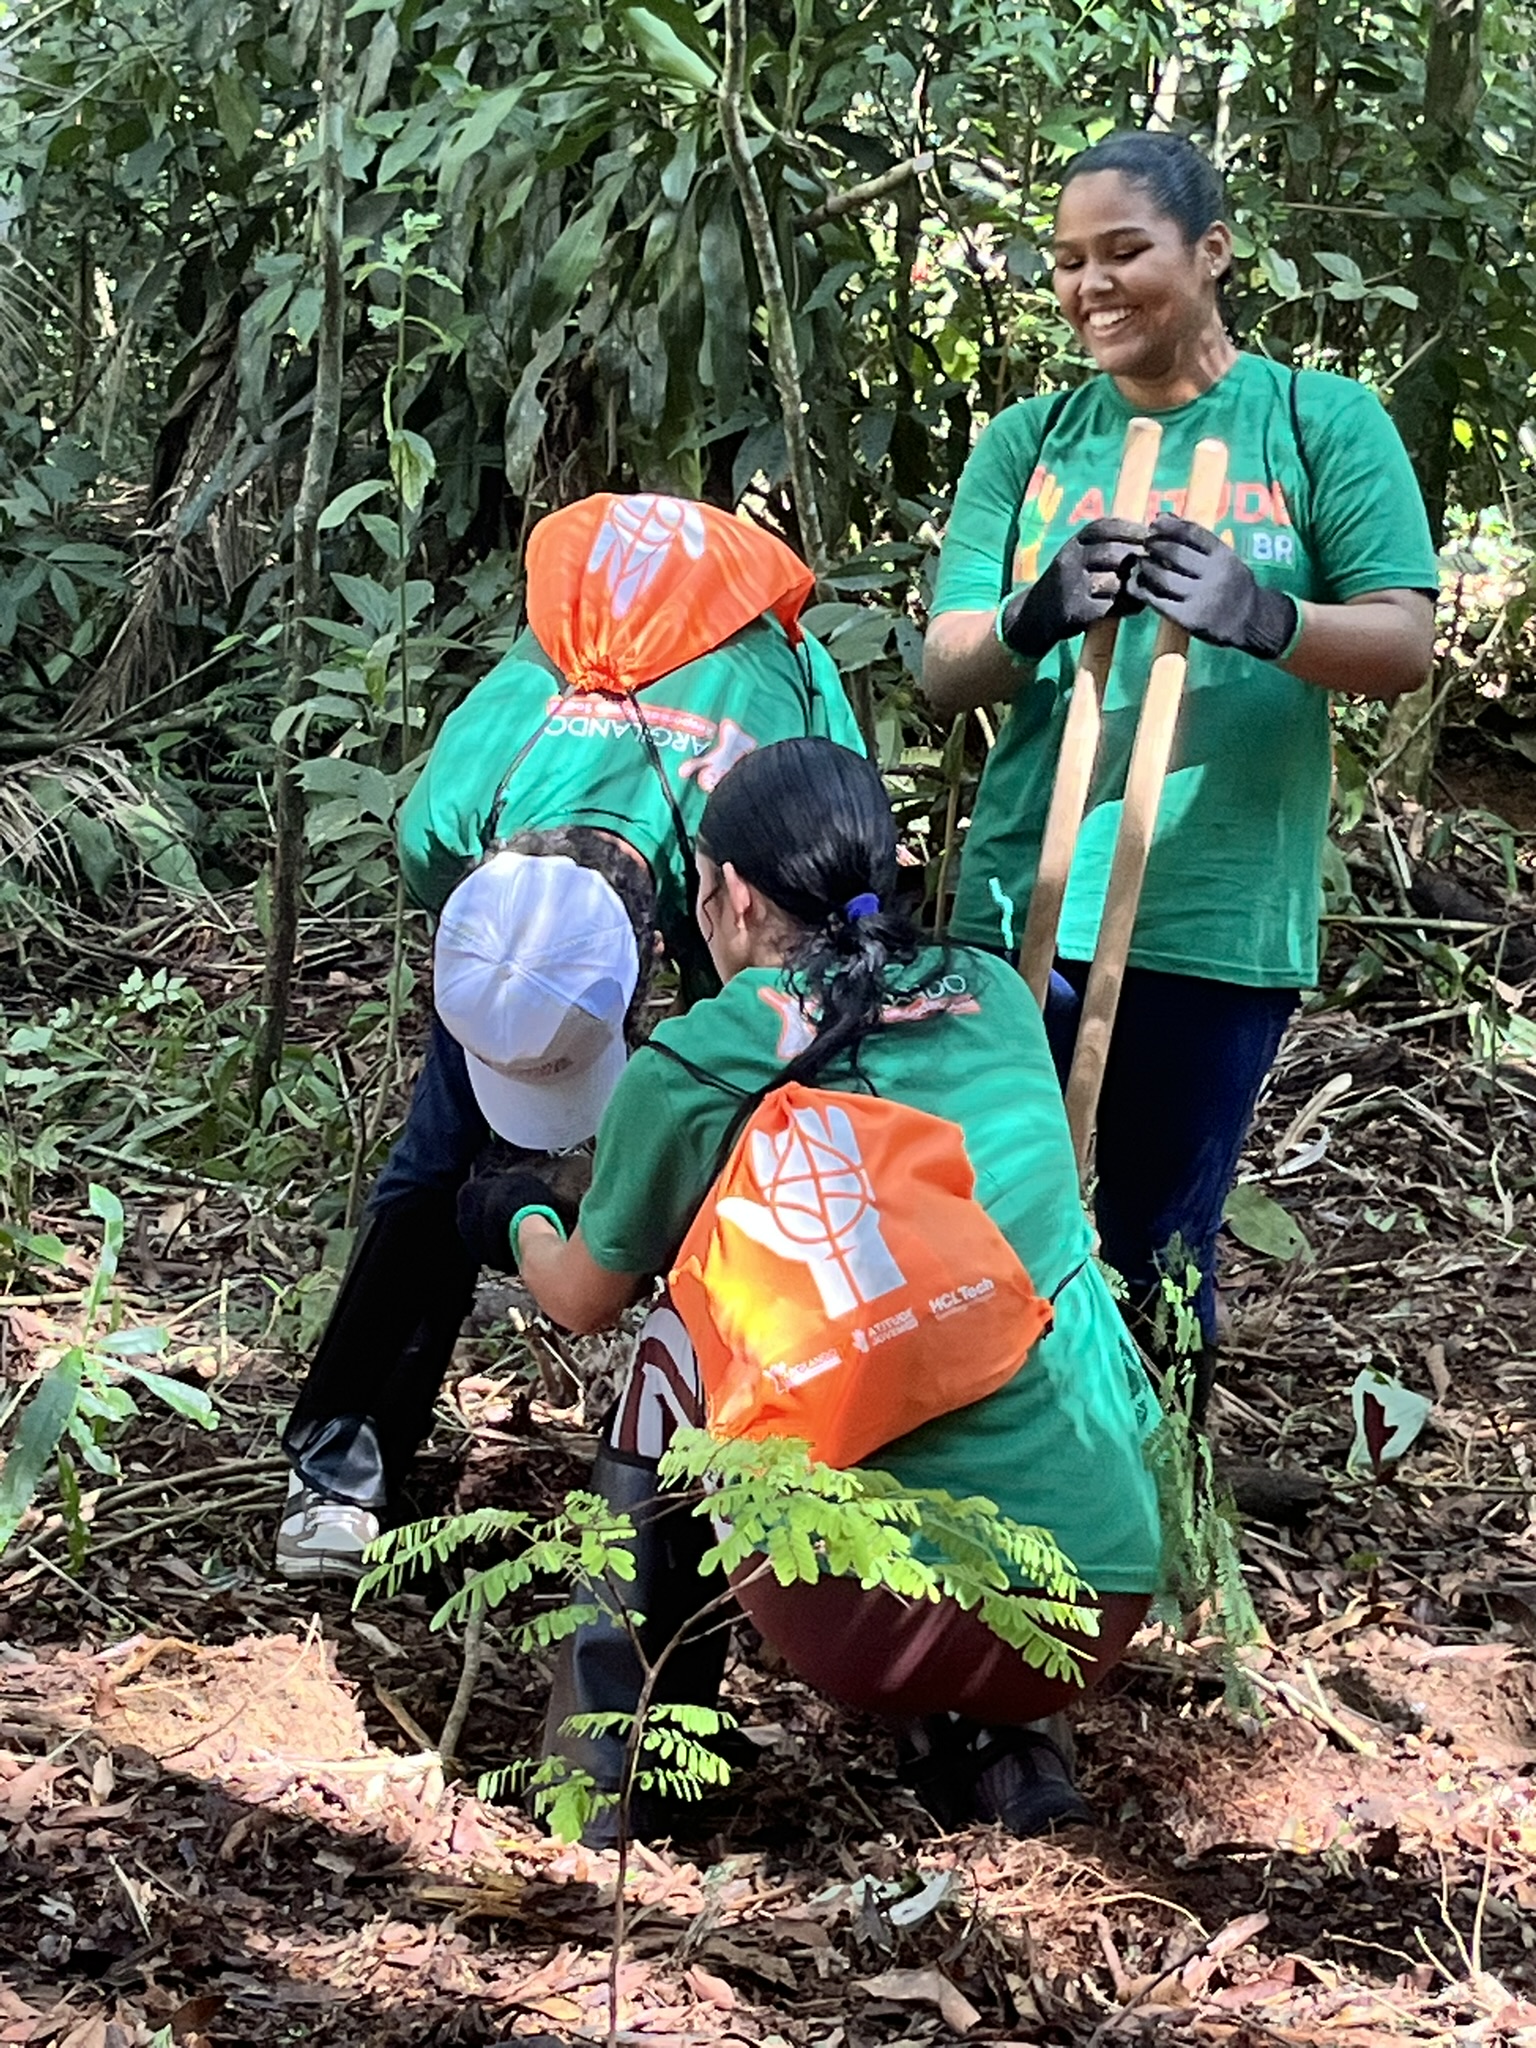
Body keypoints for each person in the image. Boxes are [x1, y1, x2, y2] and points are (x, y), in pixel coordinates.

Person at [505, 737, 1163, 1839]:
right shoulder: (996, 993)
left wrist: (517, 1211)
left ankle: (613, 1775)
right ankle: (1012, 1749)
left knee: (690, 1327)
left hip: (863, 1602)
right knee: (1015, 1282)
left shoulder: (702, 1056)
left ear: (737, 896)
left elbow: (581, 1295)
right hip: (1095, 1586)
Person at [922, 130, 1438, 1407]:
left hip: (1213, 913)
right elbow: (946, 663)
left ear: (1211, 252)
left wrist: (1265, 616)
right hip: (1020, 901)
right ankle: (976, 1513)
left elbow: (1404, 641)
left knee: (1160, 1246)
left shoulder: (1322, 423)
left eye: (1123, 251)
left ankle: (1154, 1516)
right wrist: (1036, 611)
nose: (1089, 284)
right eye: (1066, 261)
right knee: (978, 1222)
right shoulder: (1031, 440)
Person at [274, 494, 864, 1580]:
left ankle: (743, 1468)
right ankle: (342, 1461)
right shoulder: (454, 815)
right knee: (435, 1163)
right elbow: (459, 910)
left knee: (742, 1146)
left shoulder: (744, 851)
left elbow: (840, 851)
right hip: (534, 884)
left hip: (721, 780)